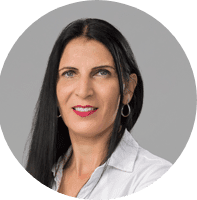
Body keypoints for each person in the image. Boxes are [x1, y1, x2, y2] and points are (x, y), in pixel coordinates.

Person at [25, 18, 172, 199]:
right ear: (54, 91)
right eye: (69, 73)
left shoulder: (154, 178)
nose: (83, 91)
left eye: (101, 73)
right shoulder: (39, 175)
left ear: (127, 89)